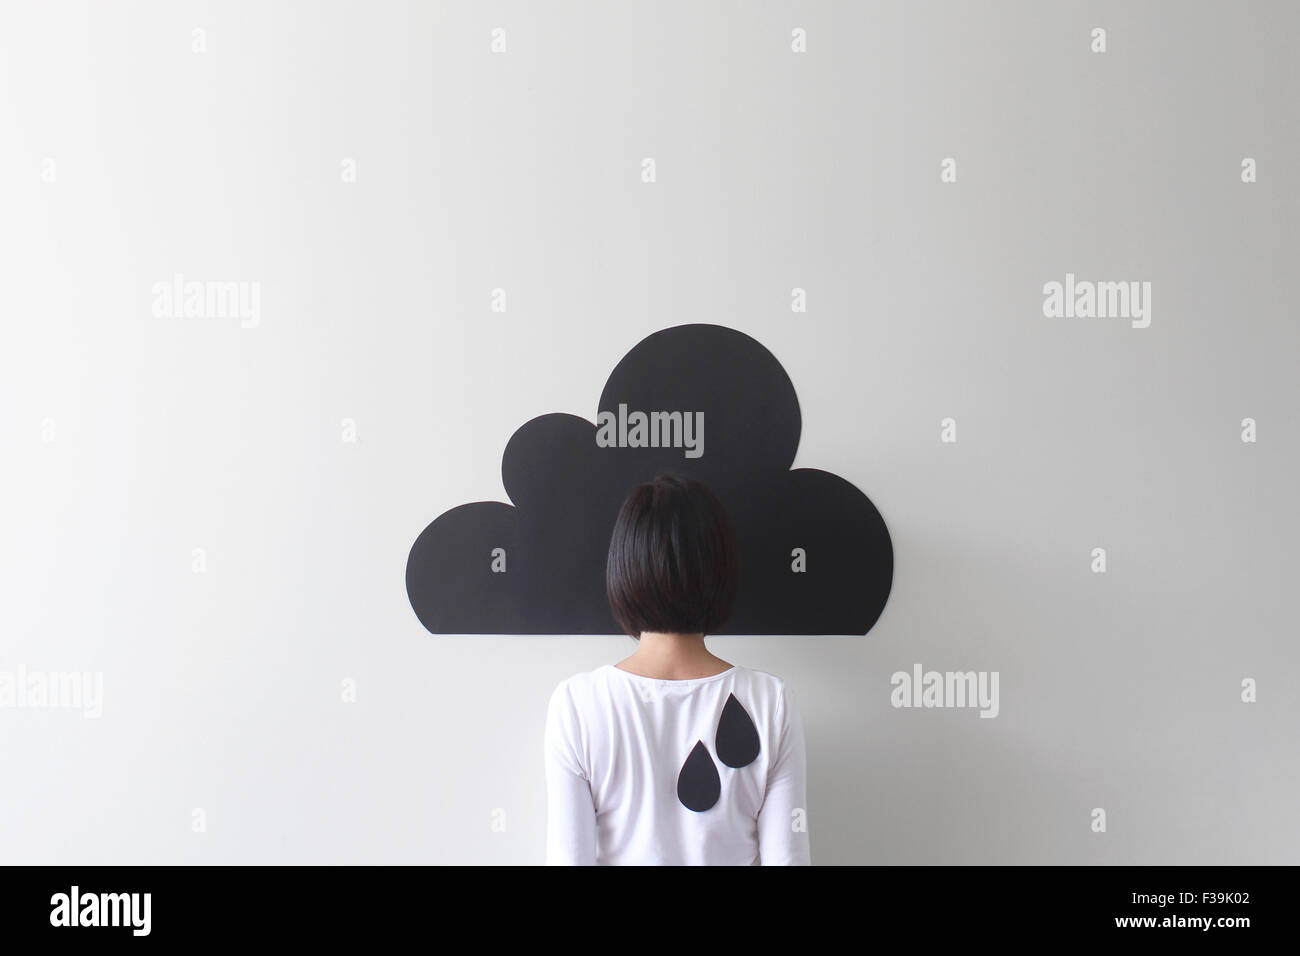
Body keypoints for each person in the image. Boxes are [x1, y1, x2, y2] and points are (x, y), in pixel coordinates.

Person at [544, 472, 811, 865]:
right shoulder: (769, 701)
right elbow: (788, 858)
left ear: (623, 570)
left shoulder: (578, 704)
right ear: (720, 571)